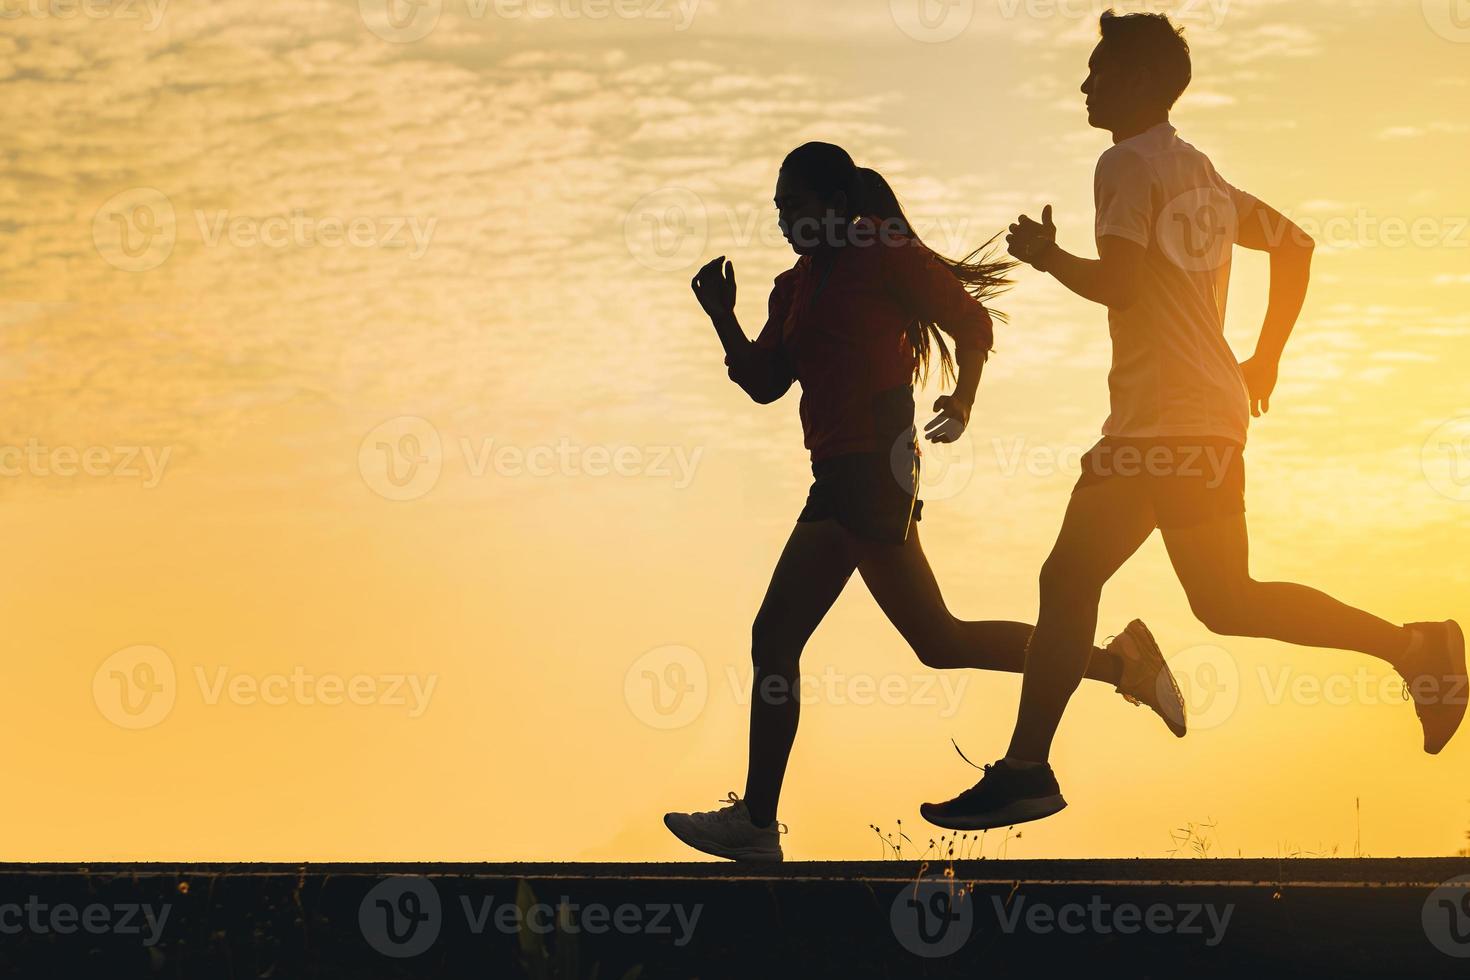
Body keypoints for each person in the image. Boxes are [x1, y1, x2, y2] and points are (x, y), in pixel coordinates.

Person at [921, 11, 1467, 832]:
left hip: (1163, 423)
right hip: (1200, 417)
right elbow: (1297, 245)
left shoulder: (1123, 166)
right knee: (1219, 600)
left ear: (1140, 83)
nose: (1085, 84)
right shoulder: (1199, 170)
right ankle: (1418, 651)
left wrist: (1048, 258)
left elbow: (1124, 286)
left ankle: (1029, 770)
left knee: (1076, 581)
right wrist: (1264, 357)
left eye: (1099, 70)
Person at [663, 141, 1186, 862]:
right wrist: (721, 316)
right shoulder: (795, 285)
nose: (784, 221)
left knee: (774, 637)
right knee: (940, 640)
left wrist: (964, 400)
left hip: (871, 472)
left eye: (796, 206)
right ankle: (1119, 664)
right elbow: (764, 382)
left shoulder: (882, 255)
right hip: (842, 474)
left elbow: (973, 323)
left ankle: (756, 822)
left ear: (836, 205)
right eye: (778, 210)